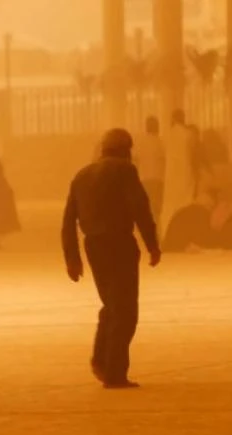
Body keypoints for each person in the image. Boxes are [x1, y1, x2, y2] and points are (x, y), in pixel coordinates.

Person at [61, 128, 161, 389]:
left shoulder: (82, 175)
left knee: (112, 306)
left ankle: (102, 360)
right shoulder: (125, 171)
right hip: (119, 244)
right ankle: (113, 372)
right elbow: (140, 207)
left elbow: (68, 220)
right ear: (126, 150)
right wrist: (153, 245)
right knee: (126, 311)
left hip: (94, 247)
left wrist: (72, 258)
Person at [161, 109, 197, 237]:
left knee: (170, 203)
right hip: (185, 173)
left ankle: (166, 232)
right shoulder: (188, 135)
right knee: (185, 201)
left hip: (170, 175)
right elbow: (193, 156)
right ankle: (185, 232)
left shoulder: (166, 135)